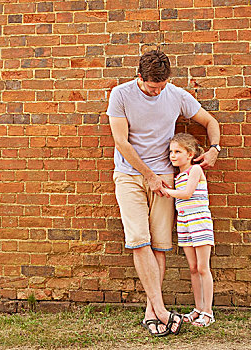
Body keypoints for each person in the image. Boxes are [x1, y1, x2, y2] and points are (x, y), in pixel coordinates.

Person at [106, 50, 220, 336]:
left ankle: (151, 313)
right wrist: (149, 176)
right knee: (138, 240)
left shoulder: (176, 95)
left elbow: (210, 122)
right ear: (139, 77)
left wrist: (215, 149)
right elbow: (121, 142)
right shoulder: (120, 95)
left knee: (159, 245)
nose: (157, 91)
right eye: (152, 86)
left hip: (166, 180)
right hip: (130, 176)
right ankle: (161, 310)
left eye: (162, 85)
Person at [162, 133, 216, 327]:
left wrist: (165, 191)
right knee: (193, 268)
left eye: (178, 152)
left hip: (199, 221)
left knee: (203, 268)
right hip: (184, 223)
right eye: (171, 152)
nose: (173, 155)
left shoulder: (195, 170)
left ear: (190, 154)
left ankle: (208, 312)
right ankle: (198, 308)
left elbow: (187, 194)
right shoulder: (177, 177)